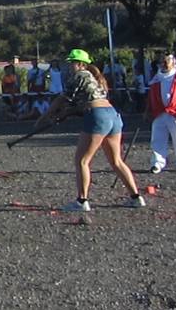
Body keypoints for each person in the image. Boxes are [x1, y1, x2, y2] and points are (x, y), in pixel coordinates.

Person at [36, 48, 145, 212]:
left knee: (82, 160)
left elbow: (63, 99)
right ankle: (136, 197)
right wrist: (62, 115)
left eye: (71, 63)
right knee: (116, 161)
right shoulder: (93, 79)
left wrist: (46, 115)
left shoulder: (79, 76)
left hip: (97, 116)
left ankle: (82, 201)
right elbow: (79, 104)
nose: (69, 66)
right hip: (112, 115)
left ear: (79, 64)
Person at [147, 52, 176, 173]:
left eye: (166, 61)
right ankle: (157, 163)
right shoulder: (156, 78)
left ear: (173, 62)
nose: (164, 64)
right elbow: (151, 96)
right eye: (161, 62)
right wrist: (148, 111)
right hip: (159, 113)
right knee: (157, 139)